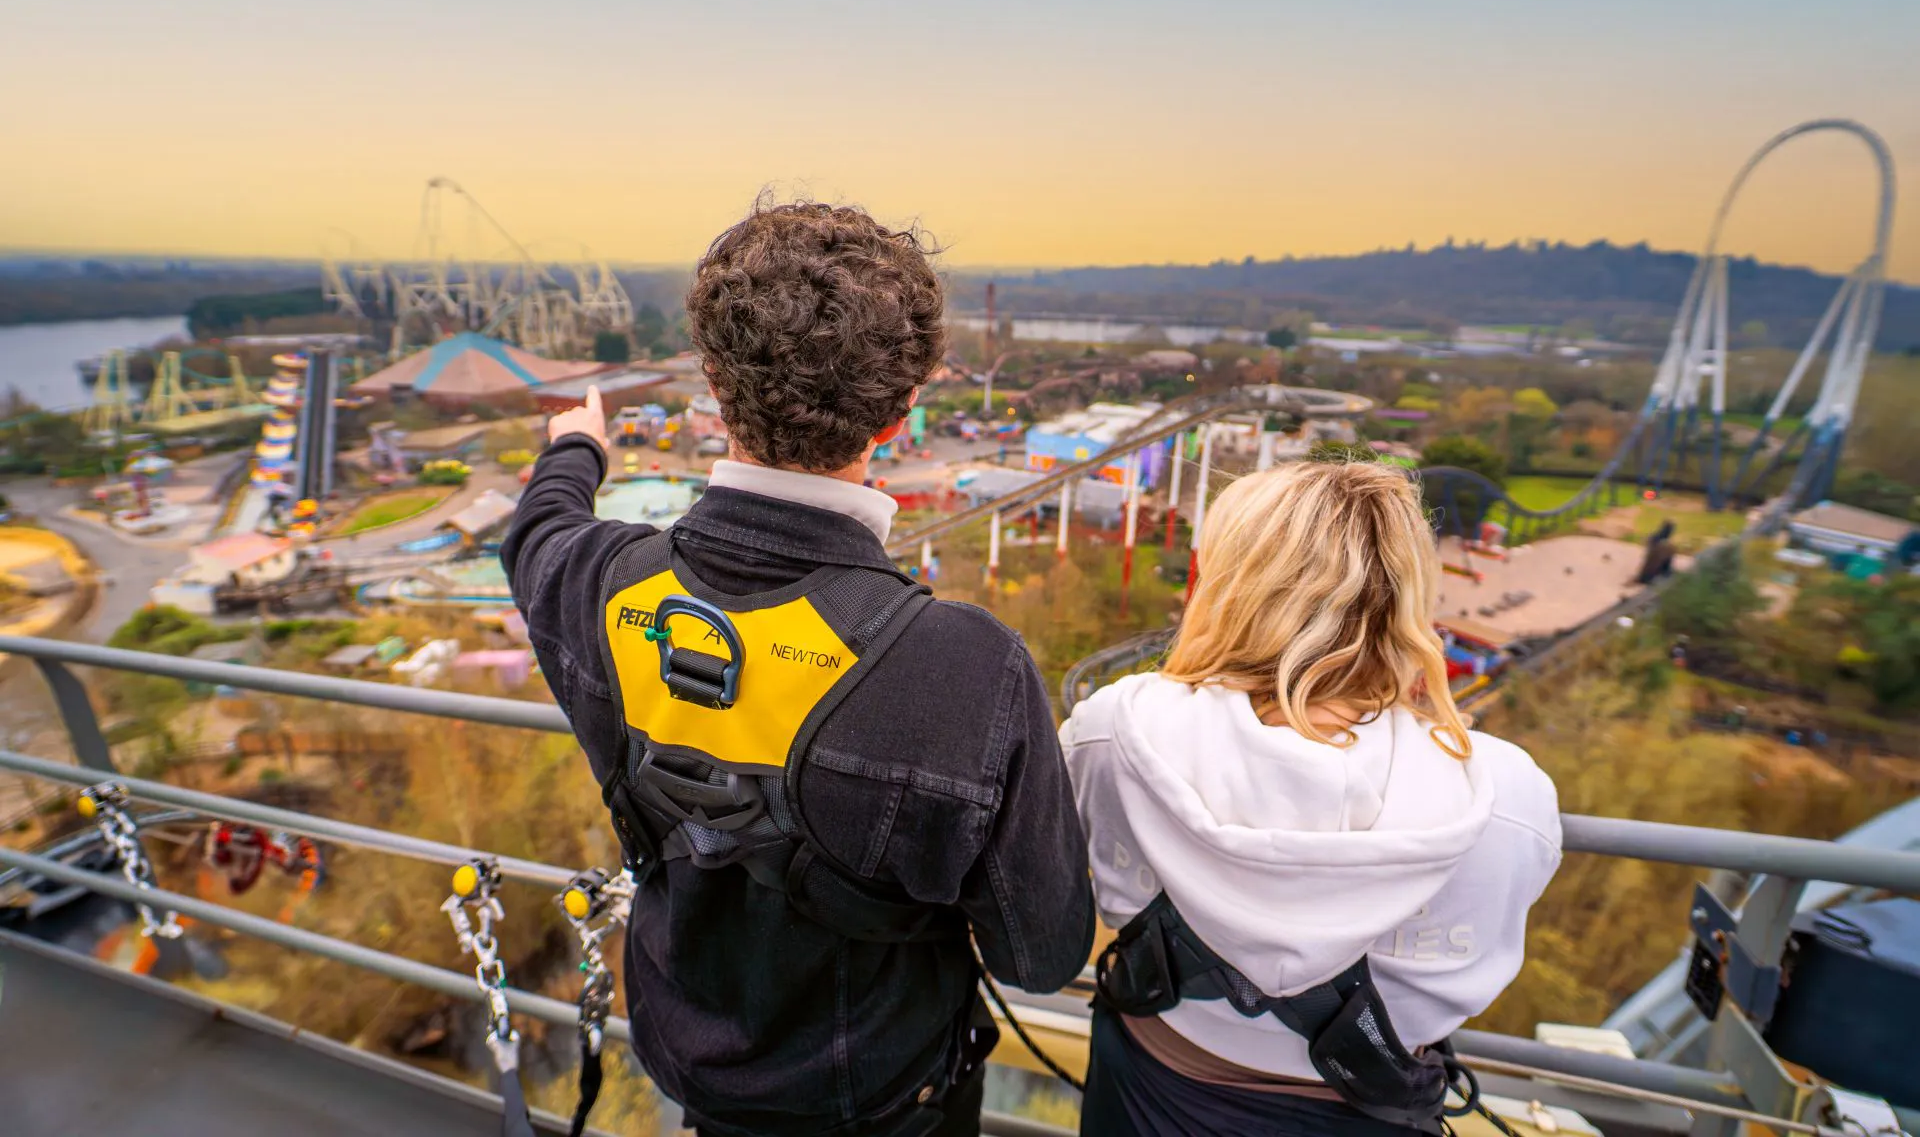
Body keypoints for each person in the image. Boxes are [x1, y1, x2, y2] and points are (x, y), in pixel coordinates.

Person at [502, 201, 1095, 1137]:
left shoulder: (598, 586)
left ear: (713, 386)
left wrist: (576, 449)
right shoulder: (967, 669)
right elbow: (1041, 951)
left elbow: (536, 533)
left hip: (694, 1070)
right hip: (887, 1098)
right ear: (903, 412)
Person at [1061, 461, 1562, 1136]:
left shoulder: (1114, 731)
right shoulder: (1503, 797)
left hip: (1150, 1090)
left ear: (1227, 584)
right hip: (1365, 1106)